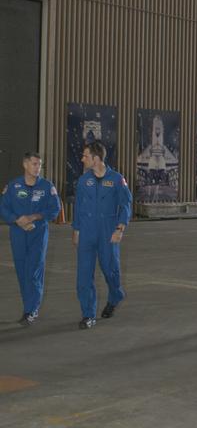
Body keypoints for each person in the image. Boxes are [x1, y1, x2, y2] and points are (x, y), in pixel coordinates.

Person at [72, 141, 133, 329]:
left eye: (85, 156)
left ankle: (115, 295)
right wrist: (76, 230)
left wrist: (120, 228)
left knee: (110, 271)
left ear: (96, 158)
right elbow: (78, 208)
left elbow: (125, 204)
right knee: (84, 276)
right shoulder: (84, 181)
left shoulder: (116, 179)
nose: (82, 159)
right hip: (87, 232)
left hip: (108, 232)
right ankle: (88, 314)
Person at [1, 152, 61, 325]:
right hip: (18, 233)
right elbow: (3, 208)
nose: (38, 168)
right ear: (25, 164)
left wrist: (34, 217)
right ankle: (28, 306)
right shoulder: (13, 186)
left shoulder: (47, 187)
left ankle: (31, 310)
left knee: (34, 270)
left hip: (38, 232)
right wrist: (16, 220)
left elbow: (54, 209)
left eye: (39, 164)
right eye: (34, 164)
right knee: (22, 270)